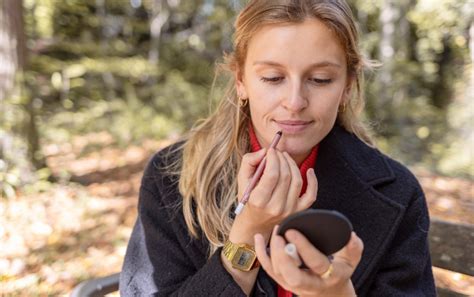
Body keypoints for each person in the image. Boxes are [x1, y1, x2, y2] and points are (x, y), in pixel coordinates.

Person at [120, 0, 436, 296]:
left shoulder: (397, 192)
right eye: (273, 78)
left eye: (321, 79)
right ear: (241, 80)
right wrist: (244, 241)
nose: (295, 102)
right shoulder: (172, 176)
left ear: (347, 86)